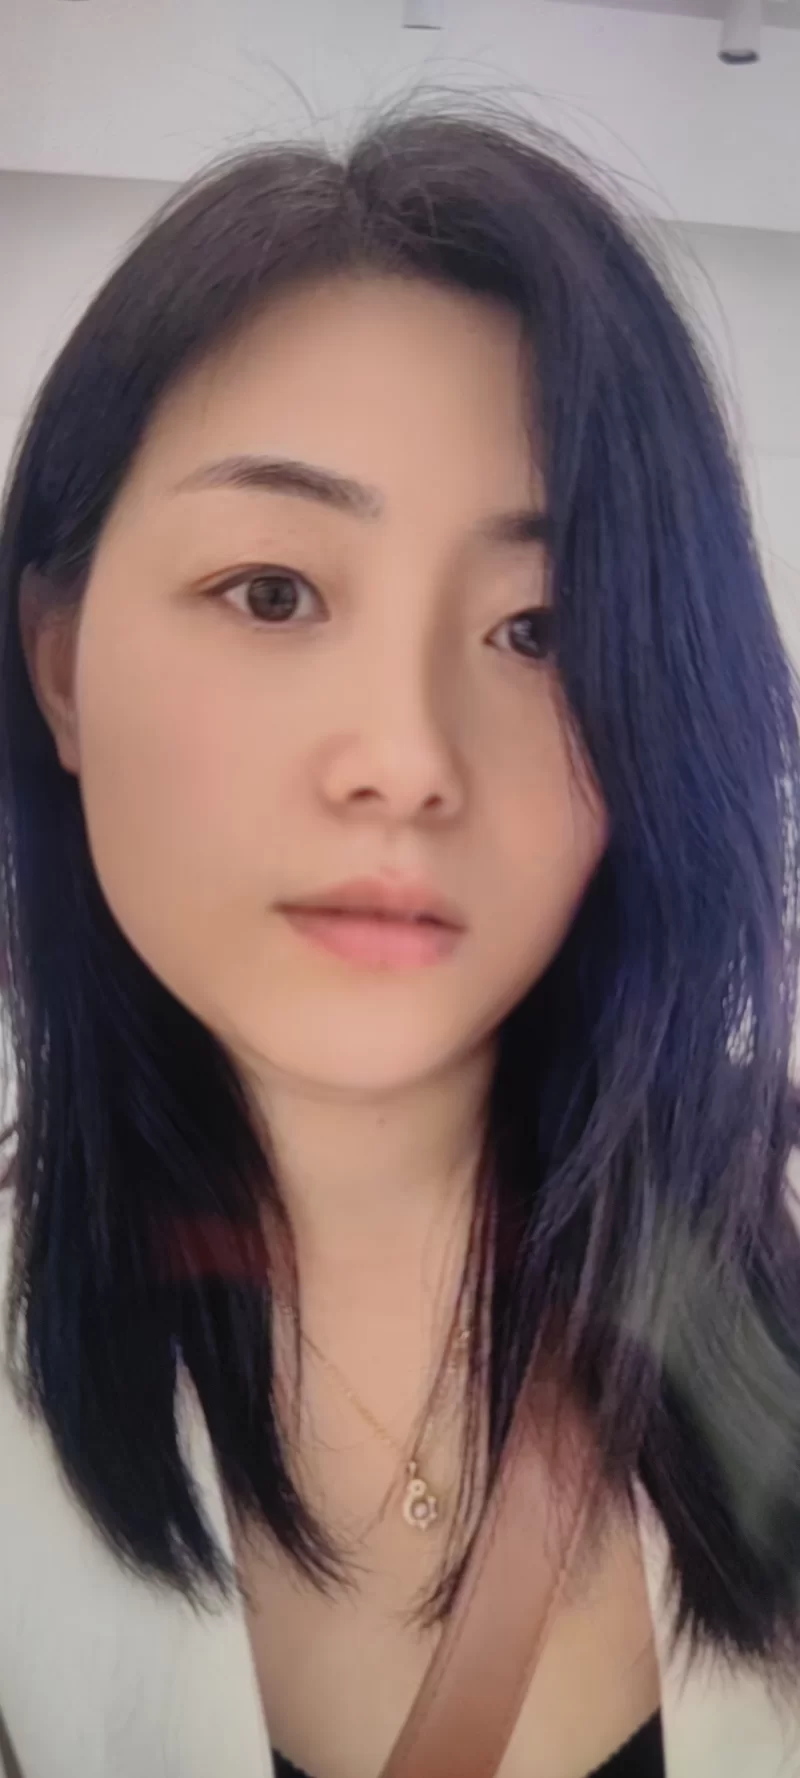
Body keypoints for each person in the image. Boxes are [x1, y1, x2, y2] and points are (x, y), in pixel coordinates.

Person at [1, 89, 800, 1778]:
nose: (410, 761)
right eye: (274, 592)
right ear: (61, 664)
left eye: (541, 628)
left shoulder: (751, 1265)